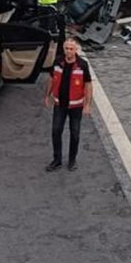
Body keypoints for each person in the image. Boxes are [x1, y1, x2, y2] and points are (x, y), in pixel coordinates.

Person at [45, 37, 93, 172]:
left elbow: (88, 85)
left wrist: (88, 104)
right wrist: (47, 95)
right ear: (63, 49)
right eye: (66, 48)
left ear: (76, 49)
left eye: (71, 49)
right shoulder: (58, 61)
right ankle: (57, 160)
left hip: (76, 106)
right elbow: (51, 78)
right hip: (60, 104)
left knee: (75, 133)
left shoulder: (82, 65)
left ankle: (72, 160)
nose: (69, 51)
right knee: (56, 131)